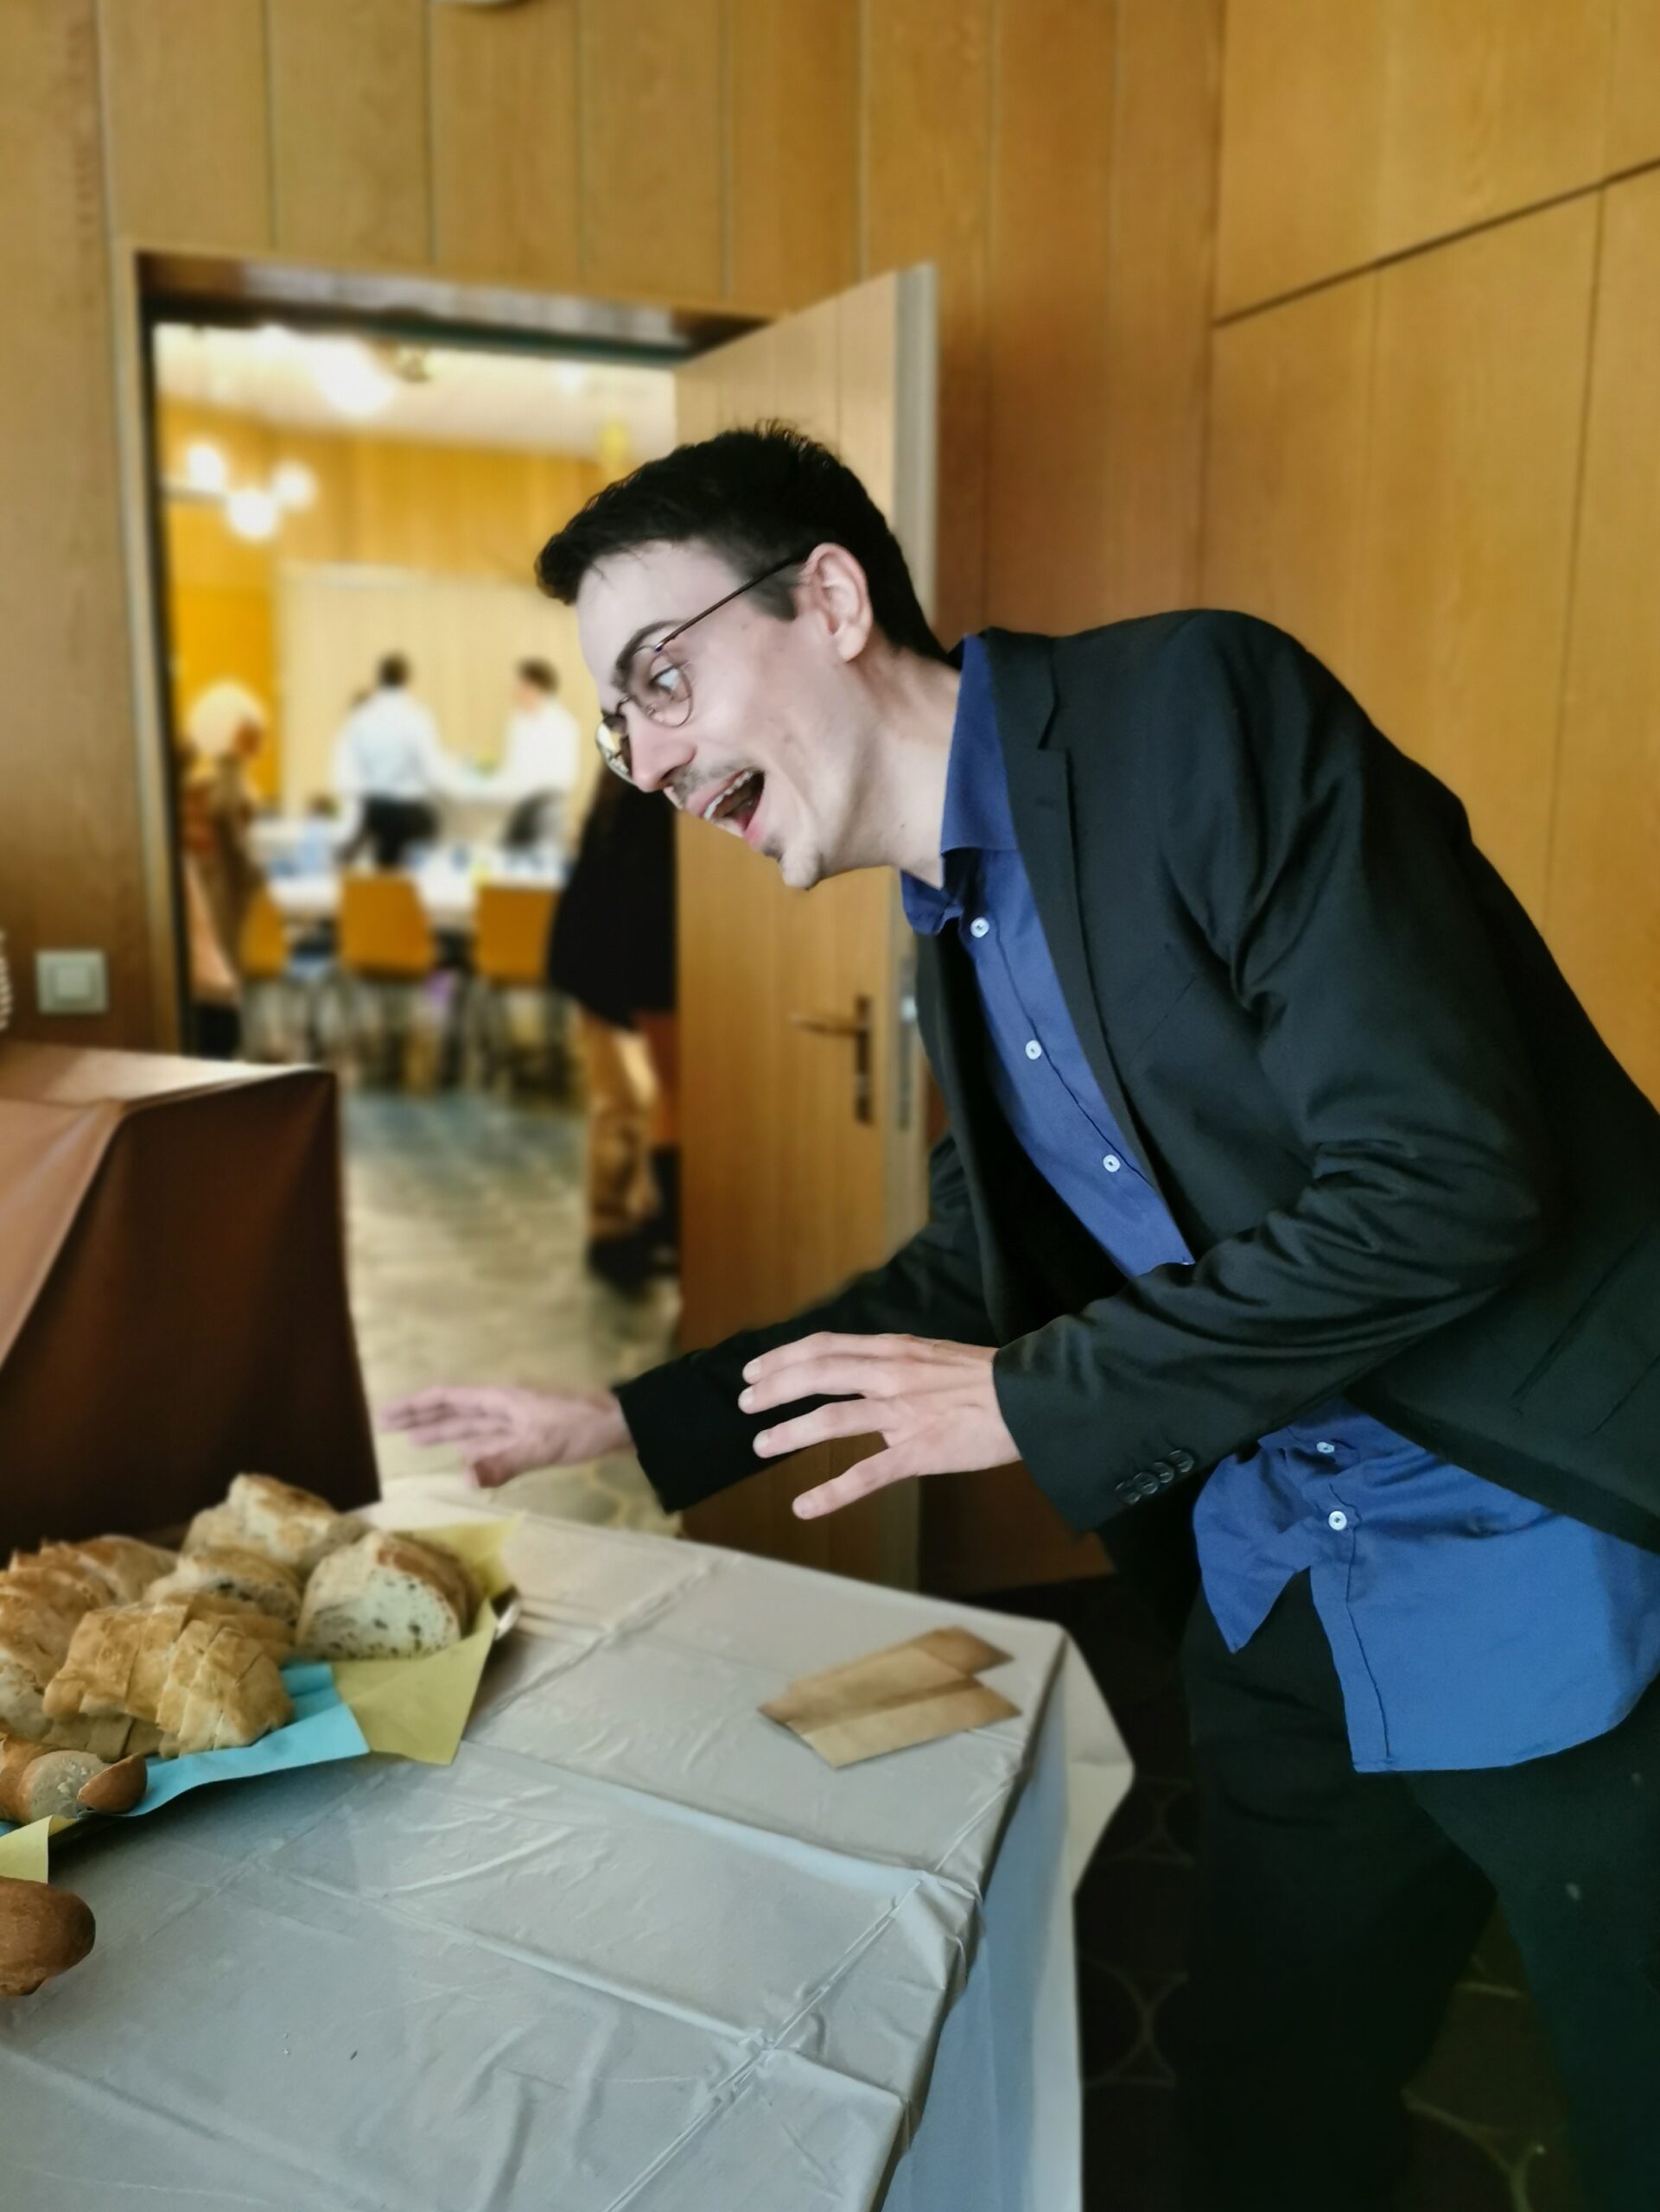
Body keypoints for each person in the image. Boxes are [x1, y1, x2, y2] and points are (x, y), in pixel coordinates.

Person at [383, 427, 1660, 2211]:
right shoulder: (953, 927)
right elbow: (967, 1282)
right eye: (618, 725)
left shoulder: (1196, 711)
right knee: (1264, 2105)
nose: (648, 758)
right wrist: (628, 1416)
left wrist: (1031, 1398)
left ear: (832, 598)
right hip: (1288, 1583)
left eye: (660, 678)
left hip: (1547, 1547)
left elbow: (1443, 1178)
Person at [547, 772, 677, 1289]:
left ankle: (640, 1218)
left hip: (625, 962)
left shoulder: (638, 787)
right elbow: (634, 897)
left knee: (647, 1101)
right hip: (607, 966)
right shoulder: (641, 795)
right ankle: (610, 1233)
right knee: (622, 1101)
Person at [178, 679, 267, 1057]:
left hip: (208, 969)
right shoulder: (219, 798)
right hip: (210, 974)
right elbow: (243, 868)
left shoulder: (198, 797)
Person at [333, 653, 447, 868]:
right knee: (431, 826)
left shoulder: (361, 718)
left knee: (385, 857)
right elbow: (432, 771)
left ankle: (385, 880)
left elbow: (347, 772)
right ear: (407, 678)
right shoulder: (418, 717)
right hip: (409, 811)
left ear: (378, 678)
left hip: (375, 811)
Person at [496, 657, 582, 852]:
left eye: (520, 686)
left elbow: (566, 778)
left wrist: (528, 791)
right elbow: (511, 767)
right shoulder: (517, 721)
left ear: (535, 687)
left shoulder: (563, 725)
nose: (515, 692)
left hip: (546, 807)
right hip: (516, 804)